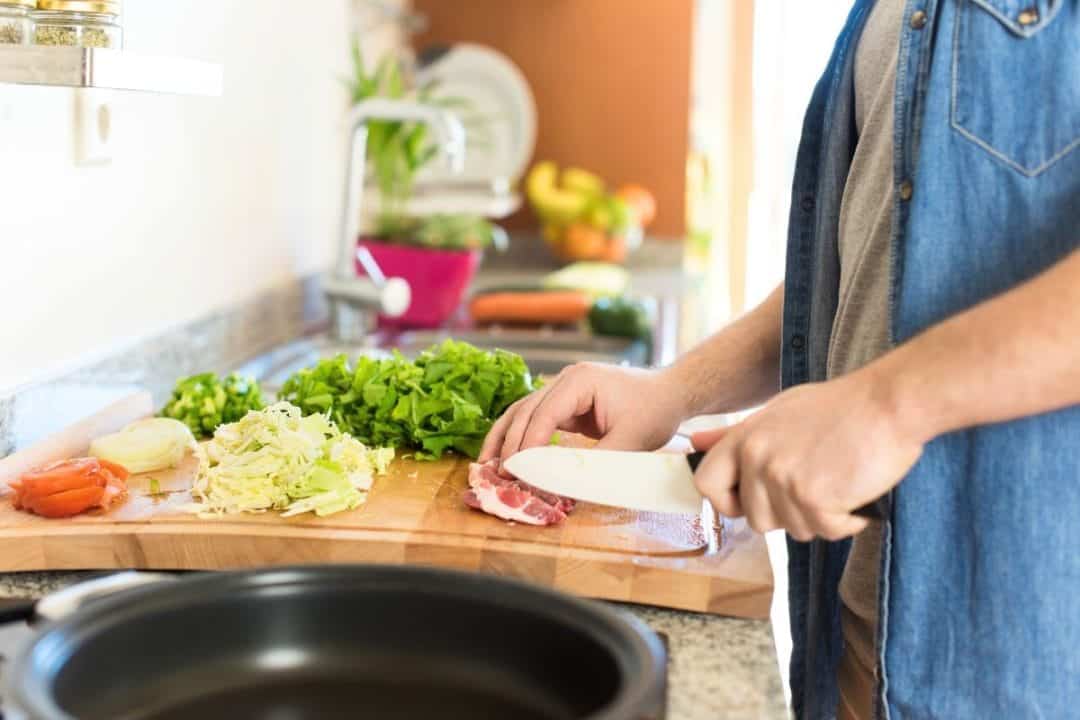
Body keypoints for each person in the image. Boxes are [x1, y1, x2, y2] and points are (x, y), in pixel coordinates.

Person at [480, 1, 1080, 718]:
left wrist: (887, 405)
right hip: (860, 645)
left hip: (1018, 661)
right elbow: (855, 265)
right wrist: (674, 391)